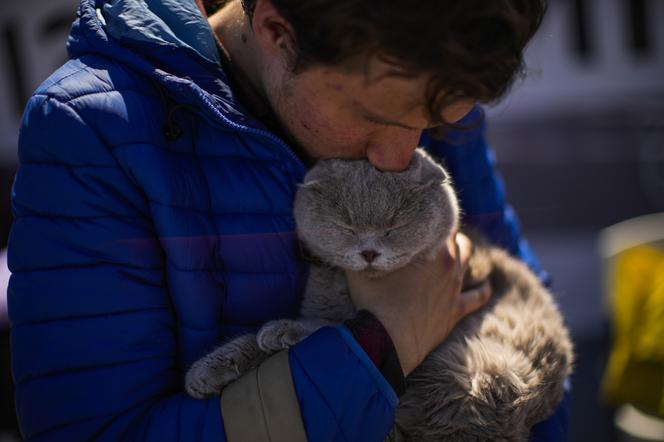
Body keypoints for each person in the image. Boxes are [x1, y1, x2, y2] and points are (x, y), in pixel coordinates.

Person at [7, 0, 570, 440]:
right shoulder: (90, 132)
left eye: (436, 120)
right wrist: (386, 340)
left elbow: (537, 334)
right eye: (373, 117)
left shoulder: (425, 75)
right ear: (278, 32)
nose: (403, 155)